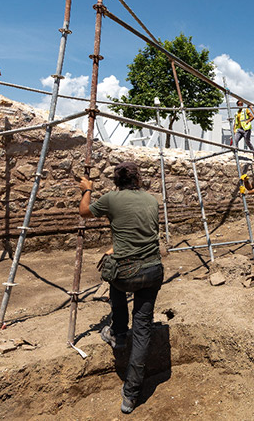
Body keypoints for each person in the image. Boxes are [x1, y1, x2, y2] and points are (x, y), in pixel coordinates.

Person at [79, 162, 163, 415]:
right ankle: (131, 395)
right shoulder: (151, 200)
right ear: (138, 179)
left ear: (116, 181)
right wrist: (116, 247)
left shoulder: (111, 199)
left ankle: (118, 333)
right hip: (153, 270)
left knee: (112, 275)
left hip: (126, 274)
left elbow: (84, 212)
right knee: (143, 327)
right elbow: (142, 234)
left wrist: (87, 189)